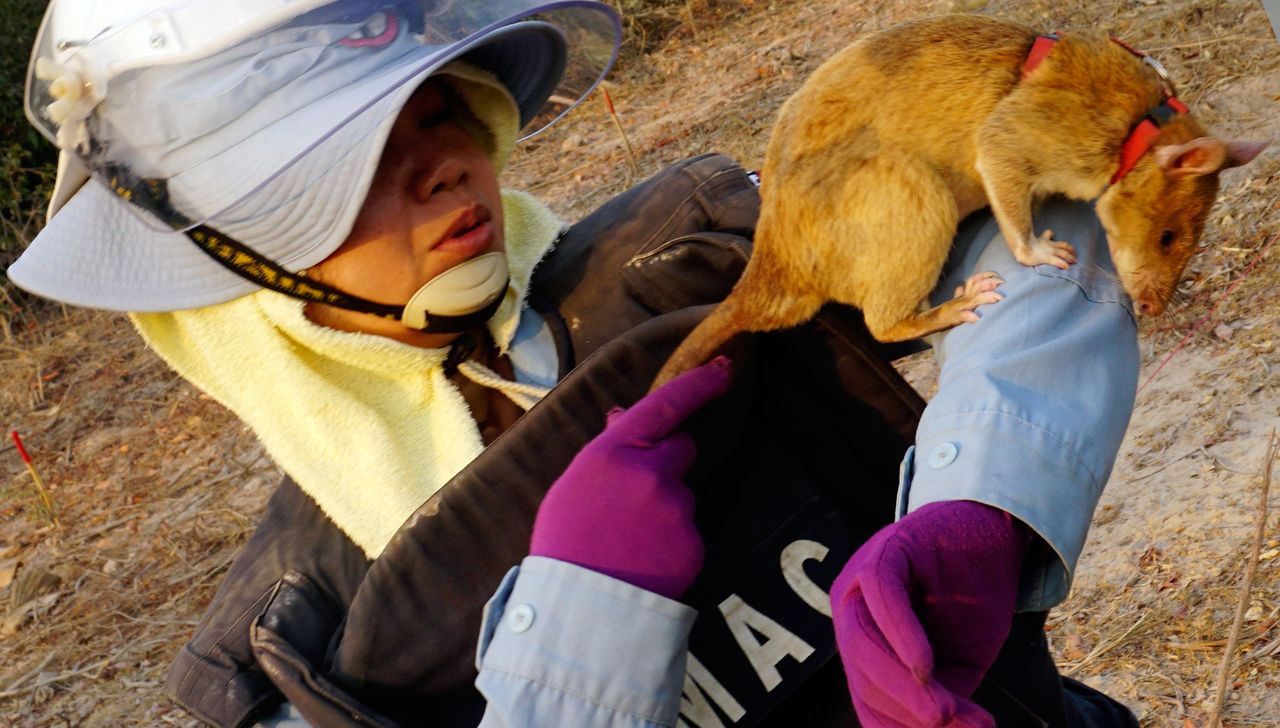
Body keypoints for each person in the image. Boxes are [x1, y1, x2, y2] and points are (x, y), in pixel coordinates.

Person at [8, 1, 1146, 725]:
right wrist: (585, 626)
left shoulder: (684, 257)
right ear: (231, 266)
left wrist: (988, 500)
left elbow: (1023, 222)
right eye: (338, 165)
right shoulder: (304, 639)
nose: (441, 169)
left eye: (438, 113)